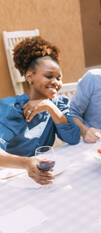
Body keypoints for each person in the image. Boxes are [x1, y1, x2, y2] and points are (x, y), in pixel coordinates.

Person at [0, 37, 81, 185]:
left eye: (59, 77)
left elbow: (73, 138)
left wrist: (49, 107)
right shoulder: (11, 108)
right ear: (29, 77)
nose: (56, 82)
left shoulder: (58, 105)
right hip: (14, 180)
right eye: (49, 76)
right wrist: (26, 163)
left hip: (45, 176)